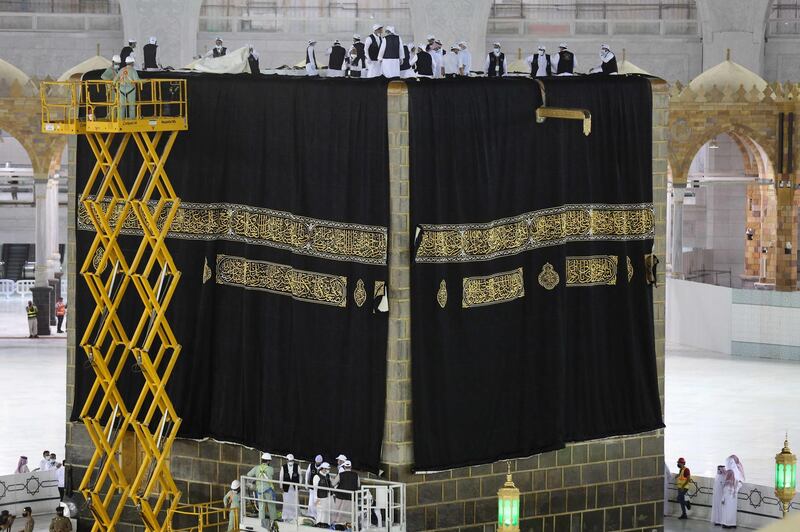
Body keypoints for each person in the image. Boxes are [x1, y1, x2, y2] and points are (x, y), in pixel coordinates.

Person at [246, 452, 277, 527]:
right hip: (268, 490)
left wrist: (255, 479)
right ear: (268, 461)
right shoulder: (271, 469)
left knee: (261, 506)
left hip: (259, 491)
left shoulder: (256, 468)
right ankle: (273, 521)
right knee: (271, 505)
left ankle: (261, 522)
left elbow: (248, 474)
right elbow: (271, 475)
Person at [721, 455, 744, 529]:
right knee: (730, 508)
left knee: (728, 508)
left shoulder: (732, 471)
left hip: (730, 493)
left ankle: (728, 523)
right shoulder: (735, 471)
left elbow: (727, 483)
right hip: (732, 493)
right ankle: (730, 523)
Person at [333, 460, 359, 524]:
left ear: (344, 466)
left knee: (337, 513)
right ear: (351, 466)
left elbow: (333, 484)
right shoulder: (356, 475)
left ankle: (336, 524)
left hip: (340, 497)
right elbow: (358, 485)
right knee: (349, 516)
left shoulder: (340, 474)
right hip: (351, 498)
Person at [279, 454, 301, 522]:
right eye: (289, 460)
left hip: (294, 488)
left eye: (292, 460)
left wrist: (299, 485)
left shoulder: (297, 467)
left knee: (295, 502)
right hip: (286, 488)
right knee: (286, 502)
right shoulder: (283, 467)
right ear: (287, 460)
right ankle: (285, 516)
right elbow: (281, 477)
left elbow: (300, 476)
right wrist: (281, 486)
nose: (291, 461)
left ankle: (295, 516)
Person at [305, 454, 323, 519]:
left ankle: (317, 516)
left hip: (319, 490)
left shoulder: (323, 467)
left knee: (317, 503)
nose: (318, 463)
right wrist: (306, 483)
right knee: (310, 503)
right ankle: (310, 515)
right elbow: (307, 474)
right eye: (317, 462)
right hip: (312, 488)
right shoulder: (311, 465)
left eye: (319, 463)